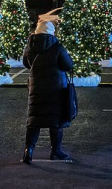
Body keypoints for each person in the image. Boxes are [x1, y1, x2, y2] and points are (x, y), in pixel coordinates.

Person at [22, 20, 74, 164]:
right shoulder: (57, 46)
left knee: (34, 119)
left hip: (36, 87)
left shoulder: (30, 46)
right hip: (55, 87)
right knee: (56, 120)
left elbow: (26, 63)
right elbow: (68, 65)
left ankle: (28, 150)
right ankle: (56, 151)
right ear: (51, 32)